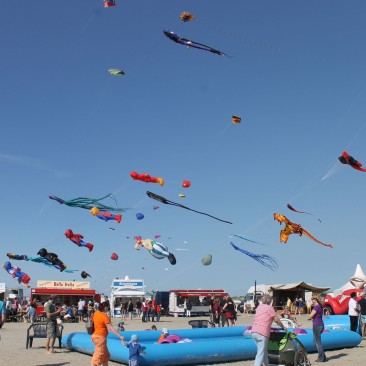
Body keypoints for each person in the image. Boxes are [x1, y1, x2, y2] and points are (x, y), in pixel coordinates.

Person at [251, 294, 286, 366]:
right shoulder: (269, 308)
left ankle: (266, 364)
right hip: (262, 332)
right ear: (270, 301)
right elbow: (276, 320)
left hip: (254, 331)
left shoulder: (259, 307)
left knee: (263, 350)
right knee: (260, 353)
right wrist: (283, 326)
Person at [91, 301, 125, 366]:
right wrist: (120, 336)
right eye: (107, 307)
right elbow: (111, 328)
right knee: (98, 356)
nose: (108, 308)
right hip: (100, 337)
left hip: (95, 336)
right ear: (105, 307)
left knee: (105, 356)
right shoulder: (104, 317)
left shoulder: (96, 313)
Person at [308, 294, 326, 363]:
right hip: (321, 325)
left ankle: (321, 357)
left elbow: (310, 316)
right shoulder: (320, 306)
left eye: (312, 300)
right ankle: (323, 356)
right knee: (316, 341)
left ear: (315, 300)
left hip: (317, 325)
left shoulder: (316, 307)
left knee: (317, 342)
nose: (311, 301)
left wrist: (309, 317)